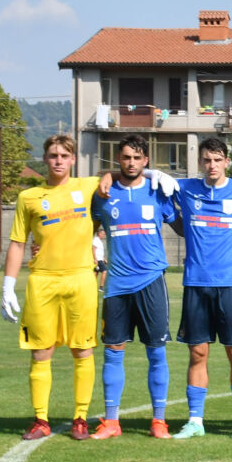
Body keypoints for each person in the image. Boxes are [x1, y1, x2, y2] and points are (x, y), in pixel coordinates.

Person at [1, 134, 100, 440]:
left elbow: (121, 174)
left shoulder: (88, 187)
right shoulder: (28, 197)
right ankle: (40, 420)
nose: (58, 160)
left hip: (81, 279)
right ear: (44, 159)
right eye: (53, 155)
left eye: (64, 155)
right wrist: (8, 286)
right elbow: (18, 243)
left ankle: (80, 417)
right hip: (42, 281)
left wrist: (155, 173)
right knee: (41, 352)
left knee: (82, 350)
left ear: (73, 160)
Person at [88, 134, 180, 440]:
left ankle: (159, 420)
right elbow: (82, 227)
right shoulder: (102, 194)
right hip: (116, 285)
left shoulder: (157, 192)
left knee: (156, 353)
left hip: (152, 282)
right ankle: (111, 421)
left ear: (146, 161)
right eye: (126, 157)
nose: (131, 162)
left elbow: (182, 225)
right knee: (113, 351)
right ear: (118, 159)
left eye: (137, 158)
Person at [170, 137, 232, 440]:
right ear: (200, 163)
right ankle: (195, 420)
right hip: (196, 282)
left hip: (231, 283)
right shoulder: (185, 189)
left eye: (217, 159)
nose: (212, 165)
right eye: (207, 160)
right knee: (198, 352)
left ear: (226, 162)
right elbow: (150, 178)